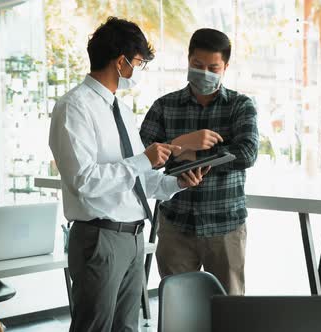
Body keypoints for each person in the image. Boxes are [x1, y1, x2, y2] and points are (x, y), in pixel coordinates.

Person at [49, 17, 207, 332]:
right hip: (99, 238)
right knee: (94, 327)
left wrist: (176, 182)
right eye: (138, 63)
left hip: (133, 237)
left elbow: (139, 180)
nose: (137, 71)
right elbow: (84, 181)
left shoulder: (121, 110)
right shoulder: (74, 107)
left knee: (127, 328)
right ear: (121, 62)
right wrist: (142, 161)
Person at [140, 28, 259, 296]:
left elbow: (248, 153)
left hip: (225, 225)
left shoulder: (240, 106)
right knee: (178, 310)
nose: (204, 72)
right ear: (188, 60)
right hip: (175, 224)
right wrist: (184, 143)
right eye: (198, 65)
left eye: (213, 67)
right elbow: (142, 157)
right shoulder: (164, 106)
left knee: (229, 313)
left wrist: (194, 156)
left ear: (226, 66)